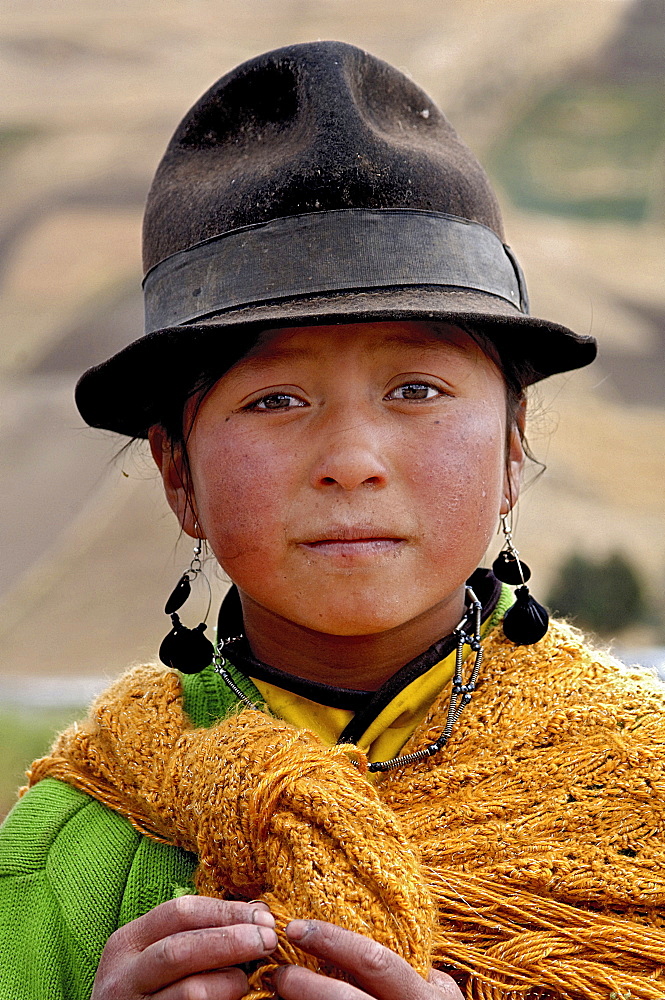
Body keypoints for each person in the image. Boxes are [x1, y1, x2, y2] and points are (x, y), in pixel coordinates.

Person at [2, 40, 665, 1000]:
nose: (351, 460)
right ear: (177, 471)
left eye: (416, 387)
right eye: (274, 400)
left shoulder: (644, 789)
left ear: (513, 447)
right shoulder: (68, 847)